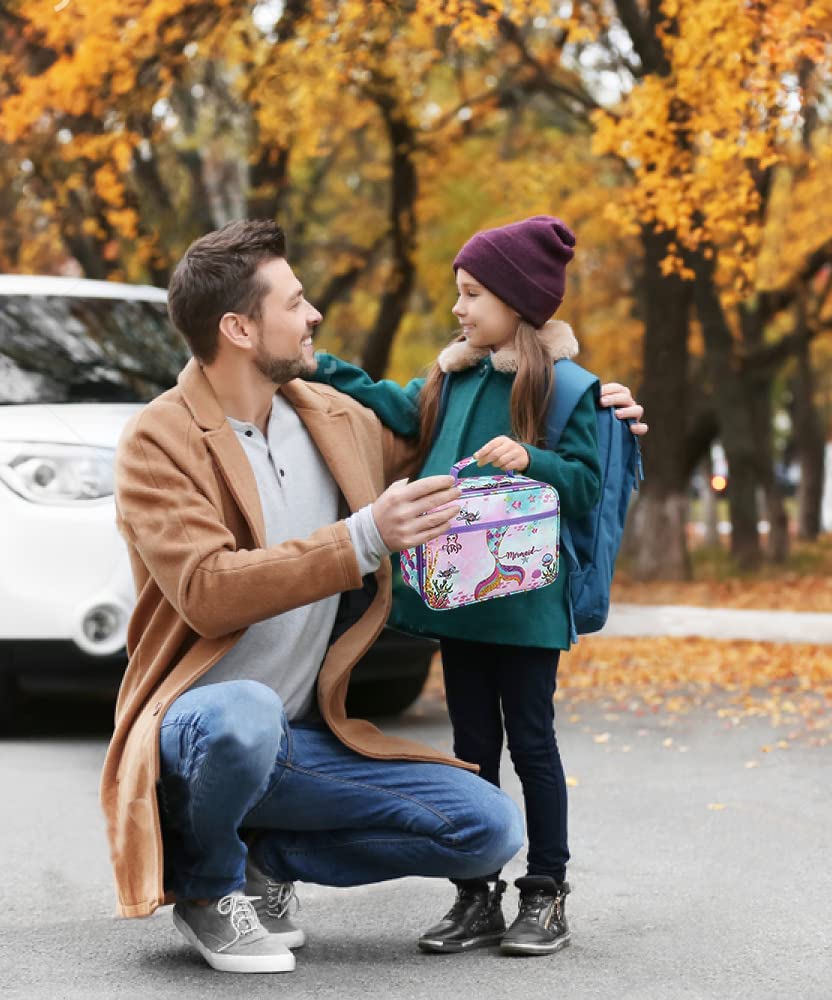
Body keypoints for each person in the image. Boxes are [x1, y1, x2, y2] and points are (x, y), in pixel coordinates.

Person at [99, 218, 528, 975]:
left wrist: (584, 412)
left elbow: (441, 435)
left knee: (488, 828)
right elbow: (207, 592)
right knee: (244, 713)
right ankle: (207, 889)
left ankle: (265, 857)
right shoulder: (158, 439)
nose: (314, 317)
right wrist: (362, 538)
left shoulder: (331, 417)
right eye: (295, 303)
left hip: (300, 744)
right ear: (238, 327)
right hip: (200, 727)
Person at [308, 215, 646, 958]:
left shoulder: (565, 387)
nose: (458, 308)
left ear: (518, 300)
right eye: (458, 294)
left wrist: (531, 459)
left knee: (532, 744)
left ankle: (546, 893)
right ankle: (475, 895)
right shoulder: (452, 378)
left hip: (526, 605)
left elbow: (588, 487)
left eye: (472, 294)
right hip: (461, 603)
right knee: (469, 748)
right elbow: (399, 410)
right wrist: (320, 366)